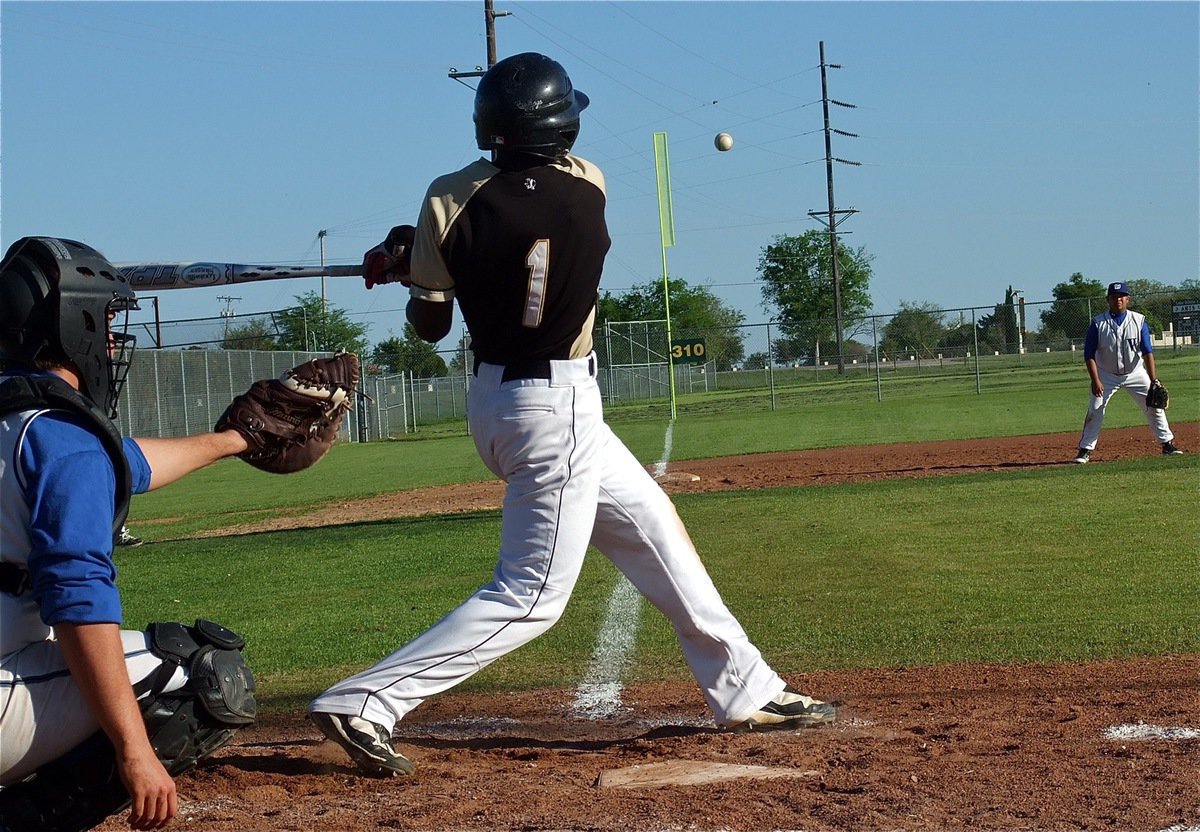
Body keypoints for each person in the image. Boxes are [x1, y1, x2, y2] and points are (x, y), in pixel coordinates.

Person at [309, 52, 836, 777]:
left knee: (653, 529)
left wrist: (413, 260)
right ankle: (367, 700)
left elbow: (431, 324)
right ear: (562, 125)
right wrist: (424, 255)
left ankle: (746, 688)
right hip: (553, 409)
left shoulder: (446, 199)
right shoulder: (590, 185)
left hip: (507, 405)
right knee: (531, 597)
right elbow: (526, 232)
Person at [0, 237, 258, 832]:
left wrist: (235, 441)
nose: (114, 341)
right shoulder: (62, 439)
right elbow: (77, 603)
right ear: (74, 323)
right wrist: (134, 749)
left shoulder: (22, 421)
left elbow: (128, 463)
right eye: (108, 321)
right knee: (201, 669)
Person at [1072, 281, 1183, 463]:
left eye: (1122, 296)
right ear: (1108, 299)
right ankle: (1085, 450)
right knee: (1095, 409)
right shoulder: (1098, 324)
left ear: (1128, 299)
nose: (1118, 300)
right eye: (1114, 297)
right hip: (1105, 374)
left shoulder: (1138, 321)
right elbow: (1089, 354)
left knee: (1154, 406)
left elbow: (1147, 352)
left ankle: (1167, 444)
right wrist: (1095, 379)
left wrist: (1153, 379)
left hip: (1135, 373)